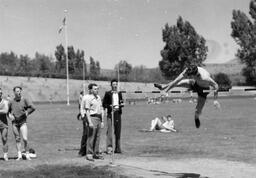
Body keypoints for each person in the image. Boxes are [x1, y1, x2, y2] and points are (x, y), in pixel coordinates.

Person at [154, 65, 221, 128]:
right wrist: (166, 90)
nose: (188, 76)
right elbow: (176, 81)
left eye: (190, 75)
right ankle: (163, 87)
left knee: (198, 110)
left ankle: (196, 118)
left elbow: (216, 85)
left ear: (195, 74)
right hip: (195, 83)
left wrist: (215, 100)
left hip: (204, 89)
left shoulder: (204, 77)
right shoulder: (188, 70)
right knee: (179, 82)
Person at [8, 86, 36, 160]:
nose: (19, 92)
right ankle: (19, 155)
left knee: (25, 138)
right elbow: (7, 111)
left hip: (23, 122)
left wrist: (27, 113)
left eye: (20, 91)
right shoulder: (11, 101)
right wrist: (9, 116)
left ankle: (27, 154)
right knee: (17, 139)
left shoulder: (25, 99)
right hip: (14, 123)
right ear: (14, 92)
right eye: (17, 91)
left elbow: (33, 107)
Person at [103, 79, 124, 154]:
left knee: (118, 131)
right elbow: (104, 104)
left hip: (118, 113)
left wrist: (122, 105)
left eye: (116, 84)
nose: (115, 85)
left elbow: (121, 101)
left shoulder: (119, 93)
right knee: (110, 132)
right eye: (114, 84)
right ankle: (109, 148)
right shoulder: (108, 93)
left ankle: (118, 148)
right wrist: (109, 106)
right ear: (111, 85)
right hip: (110, 113)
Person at [84, 83, 104, 161]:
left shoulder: (98, 98)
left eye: (97, 89)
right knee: (91, 137)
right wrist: (90, 122)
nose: (97, 90)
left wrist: (102, 121)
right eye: (95, 89)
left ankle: (96, 153)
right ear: (91, 90)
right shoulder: (88, 99)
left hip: (99, 118)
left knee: (98, 137)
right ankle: (89, 154)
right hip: (92, 118)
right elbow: (87, 111)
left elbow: (101, 109)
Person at [78, 89, 90, 157]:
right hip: (85, 116)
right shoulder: (84, 97)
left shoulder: (95, 97)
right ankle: (82, 151)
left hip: (92, 116)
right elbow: (81, 107)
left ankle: (90, 150)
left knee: (91, 134)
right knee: (85, 133)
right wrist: (83, 116)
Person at [0, 88, 9, 161]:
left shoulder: (5, 102)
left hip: (3, 124)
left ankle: (5, 155)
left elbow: (5, 111)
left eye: (0, 93)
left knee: (4, 139)